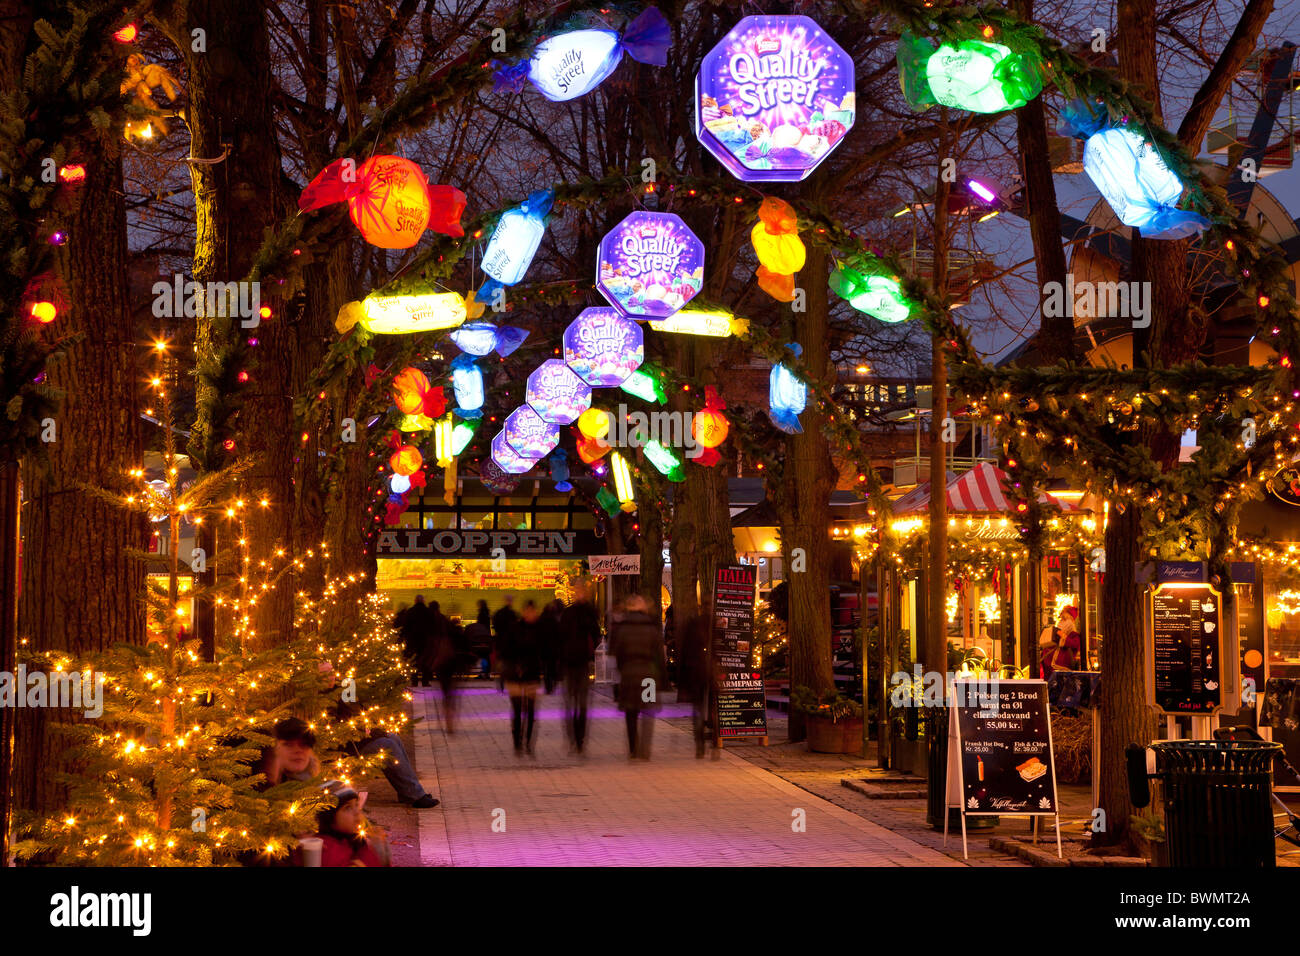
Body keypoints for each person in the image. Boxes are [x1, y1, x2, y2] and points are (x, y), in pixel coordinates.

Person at [609, 595, 665, 760]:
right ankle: (645, 750)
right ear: (642, 608)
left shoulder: (622, 628)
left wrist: (622, 670)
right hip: (648, 675)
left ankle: (633, 749)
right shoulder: (652, 628)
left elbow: (617, 654)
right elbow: (659, 656)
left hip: (629, 674)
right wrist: (661, 677)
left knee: (631, 712)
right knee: (648, 711)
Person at [293, 782, 390, 867]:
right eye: (347, 808)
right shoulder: (326, 850)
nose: (357, 811)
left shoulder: (354, 840)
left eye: (356, 804)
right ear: (329, 817)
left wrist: (378, 848)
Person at [559, 581, 601, 753]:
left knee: (581, 703)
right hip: (570, 662)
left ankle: (580, 739)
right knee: (570, 703)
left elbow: (596, 634)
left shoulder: (589, 612)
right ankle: (572, 738)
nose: (579, 593)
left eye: (582, 590)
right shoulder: (568, 613)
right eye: (577, 590)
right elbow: (560, 637)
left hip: (582, 662)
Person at [498, 600, 543, 753]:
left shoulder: (539, 629)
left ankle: (528, 742)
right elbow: (505, 651)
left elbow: (544, 652)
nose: (530, 615)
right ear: (524, 612)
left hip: (532, 675)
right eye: (528, 611)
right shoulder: (515, 629)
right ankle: (517, 740)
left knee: (530, 711)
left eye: (533, 612)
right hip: (515, 675)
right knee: (517, 709)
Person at [676, 610, 711, 757]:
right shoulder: (715, 624)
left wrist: (681, 679)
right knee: (711, 705)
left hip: (695, 673)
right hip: (709, 673)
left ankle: (700, 742)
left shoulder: (691, 626)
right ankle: (711, 738)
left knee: (697, 708)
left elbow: (684, 653)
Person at [1038, 605, 1080, 679]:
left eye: (1064, 619)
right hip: (1049, 671)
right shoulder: (1055, 635)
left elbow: (1075, 645)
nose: (1061, 622)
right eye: (1061, 619)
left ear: (1070, 621)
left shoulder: (1074, 635)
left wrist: (1063, 636)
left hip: (1061, 672)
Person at [402, 594, 434, 686]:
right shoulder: (428, 612)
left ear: (415, 601)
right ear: (423, 601)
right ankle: (425, 681)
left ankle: (414, 680)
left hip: (412, 641)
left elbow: (405, 627)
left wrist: (406, 638)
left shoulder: (410, 612)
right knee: (426, 661)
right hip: (425, 640)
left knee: (413, 661)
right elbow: (432, 627)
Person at [492, 595, 518, 692]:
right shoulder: (513, 614)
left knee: (502, 663)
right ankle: (510, 681)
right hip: (510, 643)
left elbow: (495, 626)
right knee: (510, 663)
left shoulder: (499, 613)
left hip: (501, 641)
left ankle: (501, 682)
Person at [540, 599, 563, 695]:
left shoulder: (542, 618)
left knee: (546, 668)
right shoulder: (555, 619)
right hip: (553, 648)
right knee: (552, 667)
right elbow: (559, 634)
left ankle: (548, 686)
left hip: (545, 647)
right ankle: (552, 684)